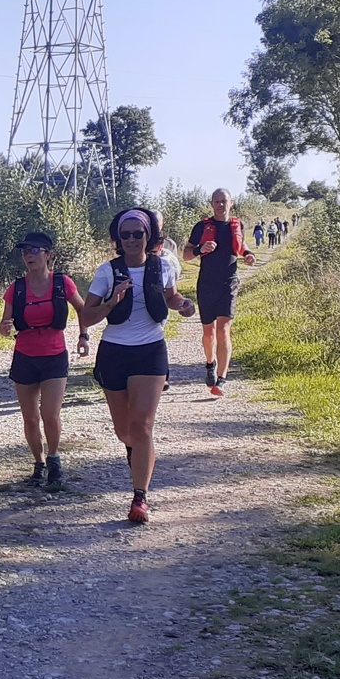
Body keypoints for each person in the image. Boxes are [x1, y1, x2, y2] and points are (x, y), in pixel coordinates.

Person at [78, 208, 195, 523]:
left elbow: (170, 297)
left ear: (149, 236)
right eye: (125, 234)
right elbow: (86, 316)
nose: (131, 240)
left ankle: (139, 498)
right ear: (118, 238)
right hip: (114, 353)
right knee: (124, 431)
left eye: (138, 234)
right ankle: (137, 452)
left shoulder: (163, 266)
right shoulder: (107, 272)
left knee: (142, 426)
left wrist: (183, 305)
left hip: (150, 351)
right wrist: (112, 301)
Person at [0, 231, 88, 486]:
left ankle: (54, 459)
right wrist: (4, 328)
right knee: (30, 417)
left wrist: (83, 336)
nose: (29, 255)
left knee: (50, 414)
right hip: (25, 356)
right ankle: (39, 463)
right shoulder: (16, 288)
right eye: (25, 251)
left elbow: (83, 309)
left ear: (48, 254)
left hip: (54, 355)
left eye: (35, 250)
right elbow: (4, 324)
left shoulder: (62, 283)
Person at [184, 189, 256, 397]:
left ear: (231, 203)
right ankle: (210, 364)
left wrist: (248, 254)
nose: (220, 205)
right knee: (209, 332)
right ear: (211, 204)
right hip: (207, 283)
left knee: (223, 329)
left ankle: (222, 379)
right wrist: (200, 249)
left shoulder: (237, 224)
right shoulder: (201, 227)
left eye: (224, 201)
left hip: (229, 282)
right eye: (217, 201)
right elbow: (186, 254)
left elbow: (241, 246)